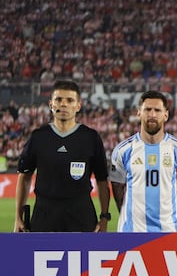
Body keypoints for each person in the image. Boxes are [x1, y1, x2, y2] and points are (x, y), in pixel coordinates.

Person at [14, 79, 111, 232]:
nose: (63, 104)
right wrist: (18, 218)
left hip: (81, 214)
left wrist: (104, 218)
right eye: (58, 99)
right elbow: (24, 176)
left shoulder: (91, 137)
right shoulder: (38, 137)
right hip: (44, 214)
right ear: (51, 104)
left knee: (82, 256)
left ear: (78, 106)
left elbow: (102, 181)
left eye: (69, 100)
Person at [110, 90, 177, 232]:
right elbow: (118, 191)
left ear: (166, 115)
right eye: (148, 109)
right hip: (132, 232)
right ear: (139, 113)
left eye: (157, 110)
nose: (152, 114)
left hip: (168, 231)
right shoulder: (122, 150)